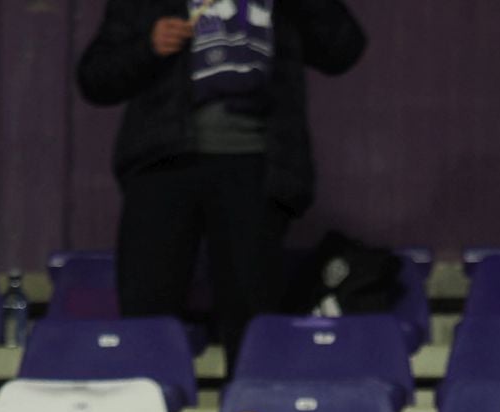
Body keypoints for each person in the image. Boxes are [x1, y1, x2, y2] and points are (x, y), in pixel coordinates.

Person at [76, 0, 367, 360]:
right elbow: (93, 78)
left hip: (255, 168)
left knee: (252, 325)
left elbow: (344, 50)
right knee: (147, 316)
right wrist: (147, 47)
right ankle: (146, 405)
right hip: (162, 164)